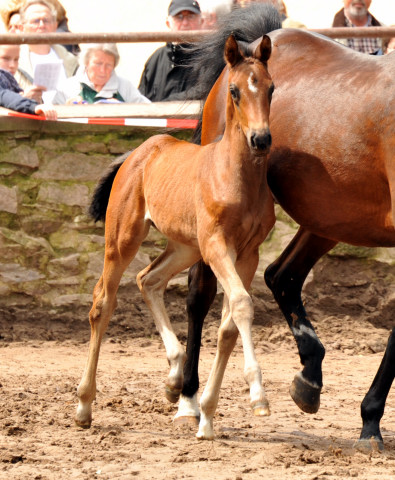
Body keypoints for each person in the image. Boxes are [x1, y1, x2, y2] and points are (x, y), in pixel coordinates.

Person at [138, 0, 203, 102]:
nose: (185, 23)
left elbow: (206, 92)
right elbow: (141, 99)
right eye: (179, 17)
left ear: (201, 21)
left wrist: (168, 103)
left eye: (191, 16)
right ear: (168, 23)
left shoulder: (210, 58)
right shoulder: (156, 59)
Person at [15, 0, 79, 101]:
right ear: (22, 27)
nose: (41, 25)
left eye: (46, 20)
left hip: (66, 115)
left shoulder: (71, 61)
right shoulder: (13, 61)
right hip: (29, 115)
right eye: (35, 21)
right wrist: (23, 99)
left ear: (55, 25)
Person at [53, 43, 150, 105]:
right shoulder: (67, 88)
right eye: (98, 64)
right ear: (86, 62)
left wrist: (123, 109)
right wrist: (68, 110)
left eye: (108, 65)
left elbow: (148, 111)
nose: (102, 70)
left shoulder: (125, 86)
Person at [0, 44, 57, 120]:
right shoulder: (3, 76)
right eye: (5, 58)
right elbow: (4, 96)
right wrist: (32, 105)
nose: (12, 65)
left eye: (16, 59)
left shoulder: (10, 80)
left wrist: (32, 99)